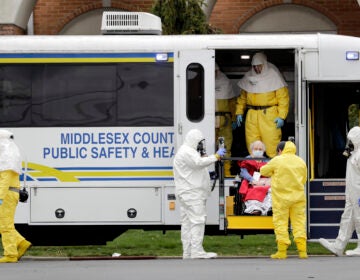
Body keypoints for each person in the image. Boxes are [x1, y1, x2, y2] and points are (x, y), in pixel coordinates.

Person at [173, 128, 226, 259]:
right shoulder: (187, 152)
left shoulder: (187, 151)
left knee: (187, 223)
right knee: (197, 220)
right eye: (199, 143)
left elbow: (196, 166)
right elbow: (198, 163)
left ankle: (188, 251)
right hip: (192, 193)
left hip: (187, 193)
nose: (200, 146)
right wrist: (216, 156)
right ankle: (196, 251)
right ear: (194, 140)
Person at [236, 52, 289, 158]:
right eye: (254, 66)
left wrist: (281, 116)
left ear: (264, 65)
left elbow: (283, 99)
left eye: (259, 66)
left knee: (272, 144)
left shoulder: (273, 76)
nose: (256, 68)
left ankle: (274, 172)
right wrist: (239, 113)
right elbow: (242, 98)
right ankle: (255, 171)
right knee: (253, 145)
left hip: (269, 115)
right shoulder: (248, 77)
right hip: (252, 115)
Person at [260, 141, 308, 259]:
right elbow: (304, 178)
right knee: (299, 223)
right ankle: (302, 252)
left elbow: (263, 171)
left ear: (280, 151)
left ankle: (282, 252)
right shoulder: (301, 161)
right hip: (298, 198)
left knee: (281, 223)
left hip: (281, 199)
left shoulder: (277, 160)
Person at [319, 126, 360, 256]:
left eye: (351, 139)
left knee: (359, 217)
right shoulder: (353, 154)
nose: (349, 142)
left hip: (358, 192)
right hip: (352, 192)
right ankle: (339, 245)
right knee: (347, 218)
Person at [0, 129, 32, 263]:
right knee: (4, 224)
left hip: (6, 195)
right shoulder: (10, 160)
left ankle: (11, 254)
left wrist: (0, 198)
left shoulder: (5, 162)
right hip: (11, 194)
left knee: (5, 226)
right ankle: (21, 242)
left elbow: (4, 181)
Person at [215, 63, 237, 177]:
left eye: (216, 71)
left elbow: (232, 103)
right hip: (208, 120)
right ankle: (212, 172)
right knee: (209, 147)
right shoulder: (202, 82)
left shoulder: (225, 82)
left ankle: (226, 173)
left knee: (226, 147)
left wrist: (234, 118)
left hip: (225, 120)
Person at [238, 140, 271, 216]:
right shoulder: (247, 159)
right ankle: (255, 209)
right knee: (253, 190)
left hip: (265, 182)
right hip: (251, 182)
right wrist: (252, 180)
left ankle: (268, 208)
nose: (258, 151)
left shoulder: (267, 161)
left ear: (264, 150)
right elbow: (243, 172)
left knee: (272, 190)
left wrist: (267, 180)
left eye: (260, 149)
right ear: (252, 150)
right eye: (256, 149)